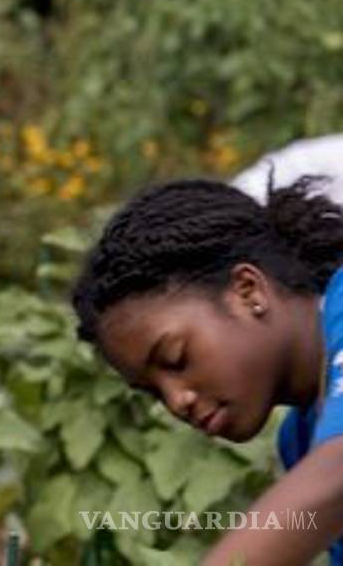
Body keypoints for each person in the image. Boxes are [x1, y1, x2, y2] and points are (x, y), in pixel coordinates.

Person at [71, 177, 343, 565]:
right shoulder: (301, 439)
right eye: (154, 392)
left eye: (177, 358)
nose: (177, 401)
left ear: (248, 291)